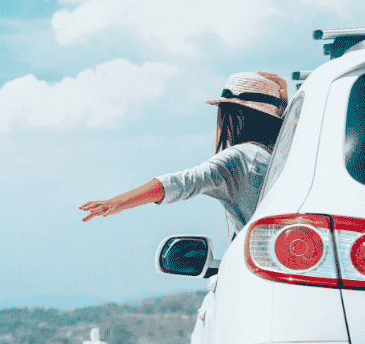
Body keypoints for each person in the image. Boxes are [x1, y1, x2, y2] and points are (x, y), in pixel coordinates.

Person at [79, 71, 287, 235]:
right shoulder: (281, 156)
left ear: (231, 116)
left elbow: (181, 182)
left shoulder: (238, 158)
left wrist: (119, 202)